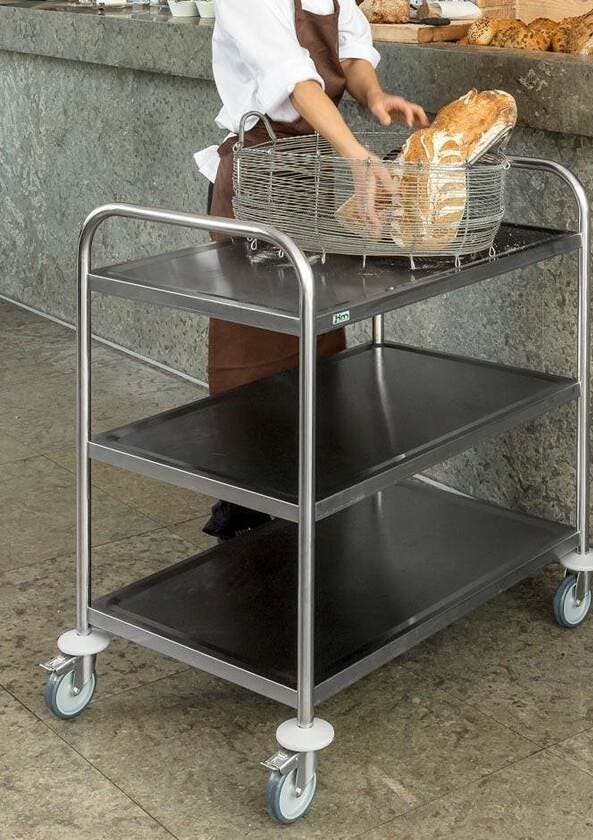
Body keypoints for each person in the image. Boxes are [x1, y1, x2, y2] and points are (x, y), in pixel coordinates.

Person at [194, 0, 428, 541]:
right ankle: (243, 508)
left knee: (319, 338)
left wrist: (374, 95)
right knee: (252, 348)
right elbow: (294, 80)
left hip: (310, 180)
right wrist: (356, 154)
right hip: (255, 181)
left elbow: (351, 51)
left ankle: (312, 492)